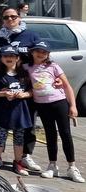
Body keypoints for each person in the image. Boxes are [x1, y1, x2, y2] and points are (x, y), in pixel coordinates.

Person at [0, 6, 42, 171]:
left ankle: (24, 156)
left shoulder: (31, 35)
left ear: (19, 17)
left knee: (26, 122)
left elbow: (42, 56)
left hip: (24, 81)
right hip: (3, 81)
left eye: (13, 16)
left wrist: (49, 75)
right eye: (6, 17)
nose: (10, 20)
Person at [25, 41, 83, 182]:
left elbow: (67, 85)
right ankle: (52, 165)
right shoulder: (26, 67)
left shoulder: (53, 66)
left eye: (44, 52)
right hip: (42, 105)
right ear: (32, 52)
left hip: (59, 102)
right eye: (38, 51)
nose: (41, 54)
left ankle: (72, 167)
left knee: (65, 133)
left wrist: (73, 106)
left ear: (48, 55)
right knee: (50, 134)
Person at [0, 46, 34, 175]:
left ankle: (18, 163)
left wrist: (24, 95)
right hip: (5, 111)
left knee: (19, 137)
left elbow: (31, 91)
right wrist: (4, 94)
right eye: (6, 56)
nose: (9, 58)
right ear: (1, 58)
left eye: (12, 56)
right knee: (0, 136)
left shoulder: (24, 74)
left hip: (20, 111)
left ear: (17, 58)